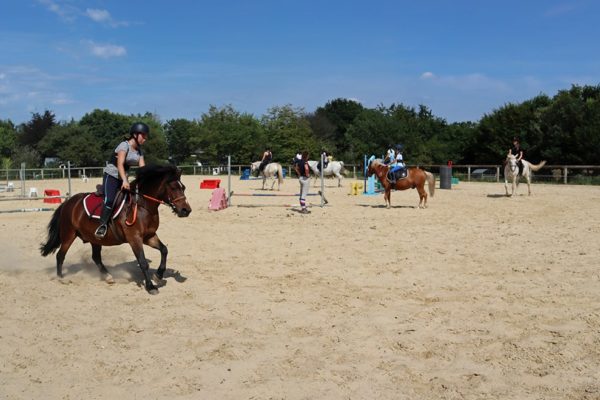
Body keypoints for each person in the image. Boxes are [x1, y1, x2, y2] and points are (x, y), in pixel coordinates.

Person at [95, 122, 148, 238]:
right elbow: (120, 165)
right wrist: (124, 180)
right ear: (135, 135)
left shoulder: (139, 151)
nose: (145, 138)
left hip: (124, 177)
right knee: (110, 200)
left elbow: (143, 168)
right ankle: (102, 225)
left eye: (146, 136)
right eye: (143, 135)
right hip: (112, 175)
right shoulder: (124, 146)